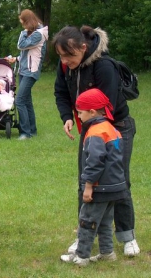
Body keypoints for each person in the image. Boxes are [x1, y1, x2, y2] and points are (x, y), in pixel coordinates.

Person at [53, 25, 139, 256]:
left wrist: (98, 136)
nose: (64, 61)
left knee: (118, 181)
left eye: (68, 56)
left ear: (83, 47)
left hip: (116, 127)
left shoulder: (104, 66)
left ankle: (127, 235)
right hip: (90, 129)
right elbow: (61, 92)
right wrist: (67, 117)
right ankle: (84, 236)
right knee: (86, 182)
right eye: (60, 56)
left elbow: (106, 106)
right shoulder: (65, 64)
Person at [60, 88, 127, 267]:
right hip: (115, 187)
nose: (78, 117)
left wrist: (89, 186)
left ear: (92, 111)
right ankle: (107, 253)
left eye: (80, 113)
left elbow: (95, 162)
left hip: (99, 187)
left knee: (87, 221)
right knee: (105, 221)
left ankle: (81, 257)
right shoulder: (110, 128)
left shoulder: (95, 132)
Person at [5, 9, 48, 140]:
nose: (22, 26)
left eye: (23, 23)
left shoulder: (38, 34)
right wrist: (16, 59)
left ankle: (25, 133)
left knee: (19, 101)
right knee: (27, 102)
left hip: (31, 72)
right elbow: (28, 53)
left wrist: (23, 32)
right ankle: (32, 130)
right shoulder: (32, 33)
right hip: (23, 70)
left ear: (28, 21)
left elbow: (21, 45)